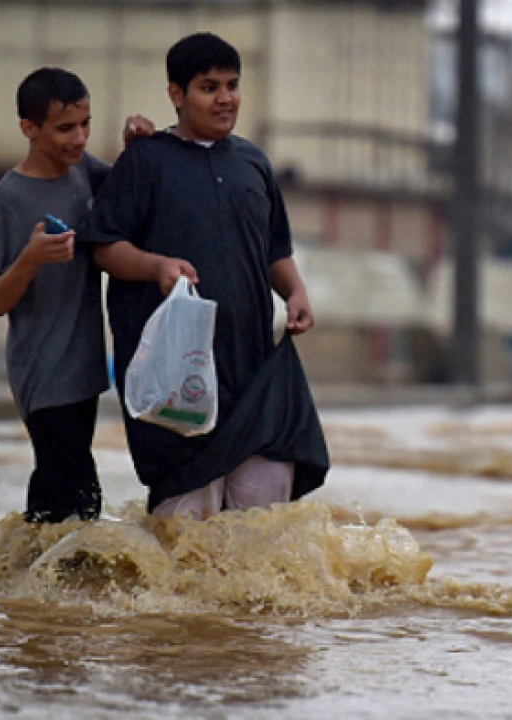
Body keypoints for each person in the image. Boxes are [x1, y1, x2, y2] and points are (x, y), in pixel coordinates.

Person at [88, 32, 330, 520]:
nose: (225, 98)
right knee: (184, 534)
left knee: (261, 531)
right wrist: (156, 266)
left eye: (232, 85)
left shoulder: (253, 163)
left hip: (254, 370)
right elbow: (104, 248)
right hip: (178, 375)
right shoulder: (145, 160)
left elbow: (274, 250)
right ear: (176, 95)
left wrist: (296, 291)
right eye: (208, 87)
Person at [0, 67, 154, 523]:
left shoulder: (84, 173)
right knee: (80, 499)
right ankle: (60, 584)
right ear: (29, 129)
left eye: (85, 125)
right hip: (41, 370)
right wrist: (31, 258)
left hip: (84, 369)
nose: (79, 139)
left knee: (53, 494)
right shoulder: (9, 198)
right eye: (64, 129)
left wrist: (136, 147)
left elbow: (128, 191)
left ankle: (17, 585)